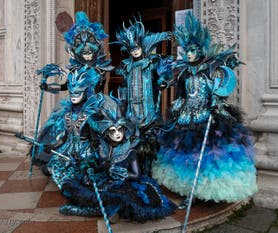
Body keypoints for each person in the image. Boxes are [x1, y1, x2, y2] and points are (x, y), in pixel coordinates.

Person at [151, 13, 257, 205]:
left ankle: (203, 192)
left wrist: (216, 101)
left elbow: (217, 91)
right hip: (185, 119)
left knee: (206, 159)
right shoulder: (183, 72)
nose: (189, 54)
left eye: (193, 50)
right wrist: (174, 100)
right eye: (187, 51)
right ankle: (189, 193)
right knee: (186, 160)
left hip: (206, 118)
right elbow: (181, 94)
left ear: (200, 51)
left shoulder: (210, 71)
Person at [60, 97, 176, 222]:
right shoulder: (103, 148)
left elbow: (136, 174)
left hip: (126, 183)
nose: (117, 134)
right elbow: (98, 163)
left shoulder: (129, 151)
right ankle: (89, 210)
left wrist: (119, 173)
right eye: (113, 131)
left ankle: (105, 212)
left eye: (119, 129)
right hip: (107, 180)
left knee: (123, 197)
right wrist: (90, 167)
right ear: (106, 133)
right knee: (85, 187)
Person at [113, 17, 171, 175]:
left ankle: (151, 169)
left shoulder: (150, 63)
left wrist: (162, 82)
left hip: (148, 109)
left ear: (142, 47)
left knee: (150, 140)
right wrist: (123, 100)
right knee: (133, 140)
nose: (135, 51)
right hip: (132, 110)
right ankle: (135, 168)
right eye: (132, 49)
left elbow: (160, 77)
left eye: (137, 48)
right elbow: (125, 85)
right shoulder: (127, 67)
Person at [34, 66, 103, 189]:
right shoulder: (67, 114)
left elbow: (95, 141)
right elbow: (65, 137)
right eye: (71, 93)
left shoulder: (89, 115)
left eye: (77, 93)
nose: (73, 96)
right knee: (49, 168)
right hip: (68, 149)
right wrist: (53, 146)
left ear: (84, 93)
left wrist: (90, 158)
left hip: (84, 151)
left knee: (84, 173)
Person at [64, 11, 113, 92]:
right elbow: (66, 86)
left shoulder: (99, 70)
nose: (87, 55)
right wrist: (49, 87)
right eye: (84, 53)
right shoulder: (74, 70)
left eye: (89, 53)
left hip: (94, 103)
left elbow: (100, 90)